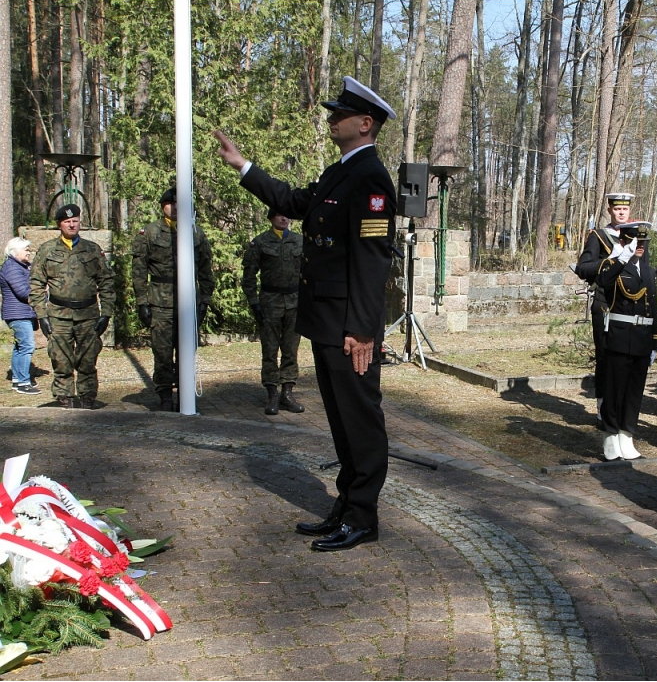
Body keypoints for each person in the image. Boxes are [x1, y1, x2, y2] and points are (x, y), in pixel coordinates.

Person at [215, 75, 397, 552]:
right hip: (325, 319)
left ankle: (363, 515)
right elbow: (295, 202)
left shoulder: (371, 177)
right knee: (339, 418)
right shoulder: (340, 171)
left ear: (365, 123)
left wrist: (362, 330)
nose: (332, 119)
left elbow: (373, 260)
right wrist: (244, 166)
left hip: (348, 327)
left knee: (360, 419)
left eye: (340, 114)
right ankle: (346, 504)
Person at [132, 188, 216, 412]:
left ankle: (185, 393)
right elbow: (139, 271)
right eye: (171, 203)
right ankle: (165, 395)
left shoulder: (195, 232)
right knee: (162, 352)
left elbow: (206, 270)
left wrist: (204, 300)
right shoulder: (149, 233)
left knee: (187, 351)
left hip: (188, 301)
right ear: (163, 206)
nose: (176, 207)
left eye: (180, 203)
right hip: (160, 302)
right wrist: (142, 302)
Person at [29, 204, 115, 409]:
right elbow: (36, 283)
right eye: (67, 221)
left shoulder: (92, 249)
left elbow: (106, 282)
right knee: (60, 360)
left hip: (88, 314)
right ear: (60, 224)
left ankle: (87, 397)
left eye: (75, 221)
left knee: (88, 359)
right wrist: (42, 315)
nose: (72, 224)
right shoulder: (47, 250)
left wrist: (106, 313)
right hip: (59, 315)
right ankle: (64, 396)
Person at [595, 222, 657, 460]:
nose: (639, 247)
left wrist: (654, 341)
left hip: (642, 338)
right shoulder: (614, 266)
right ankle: (610, 438)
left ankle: (626, 436)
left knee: (634, 392)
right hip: (620, 337)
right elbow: (602, 280)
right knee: (614, 390)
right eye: (634, 242)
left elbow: (652, 308)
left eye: (642, 243)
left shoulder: (648, 271)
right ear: (623, 241)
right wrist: (621, 258)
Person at [575, 193, 634, 423]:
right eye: (617, 208)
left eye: (624, 209)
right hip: (606, 304)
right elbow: (583, 268)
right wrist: (611, 260)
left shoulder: (638, 236)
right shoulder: (599, 237)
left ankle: (622, 407)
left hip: (631, 305)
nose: (621, 212)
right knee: (605, 357)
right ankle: (603, 406)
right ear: (609, 210)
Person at [242, 208, 305, 416]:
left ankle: (287, 392)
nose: (285, 217)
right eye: (280, 215)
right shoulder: (260, 242)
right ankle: (272, 393)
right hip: (269, 302)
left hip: (294, 302)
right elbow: (249, 277)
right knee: (269, 350)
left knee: (291, 348)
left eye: (287, 214)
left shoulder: (299, 241)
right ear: (271, 218)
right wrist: (254, 304)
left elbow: (309, 272)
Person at [1, 237, 40, 394]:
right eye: (26, 249)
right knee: (27, 345)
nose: (29, 252)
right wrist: (43, 293)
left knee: (20, 346)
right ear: (15, 251)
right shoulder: (11, 268)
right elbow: (23, 292)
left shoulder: (22, 266)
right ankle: (23, 382)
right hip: (17, 313)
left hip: (23, 312)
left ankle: (17, 379)